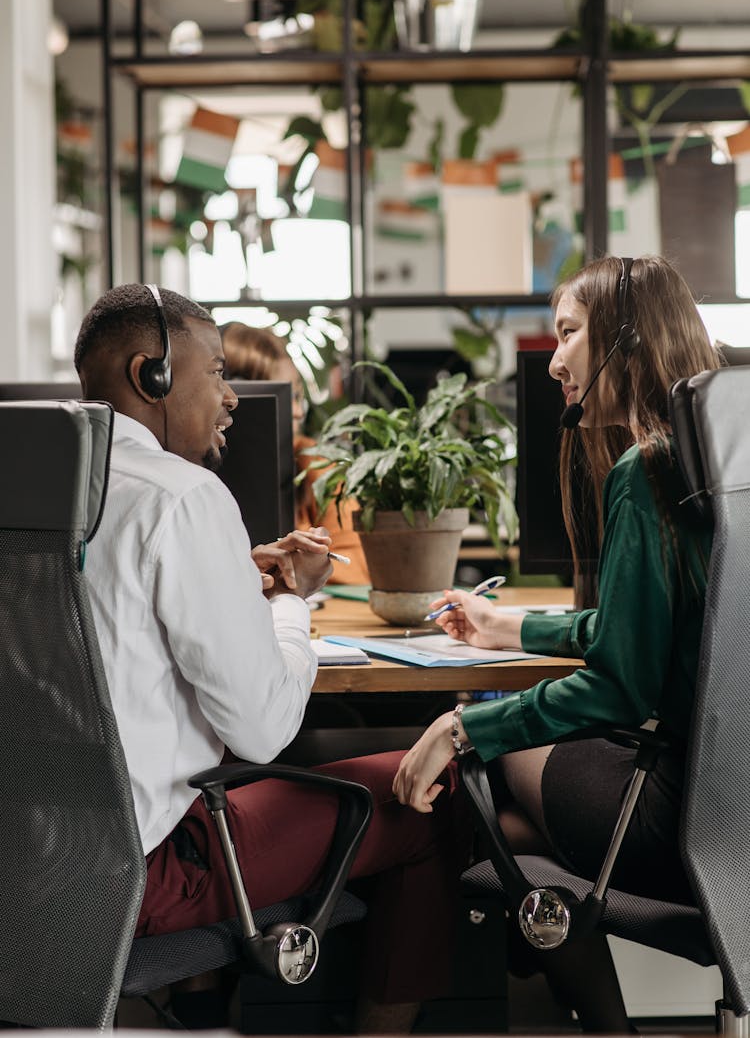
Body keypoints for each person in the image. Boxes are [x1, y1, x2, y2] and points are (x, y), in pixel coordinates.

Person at [74, 284, 468, 1031]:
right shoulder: (182, 497)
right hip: (141, 873)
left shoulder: (42, 490)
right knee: (431, 797)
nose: (230, 398)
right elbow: (264, 729)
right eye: (215, 373)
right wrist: (293, 599)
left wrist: (228, 575)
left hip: (33, 864)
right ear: (148, 375)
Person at [393, 255, 721, 1029]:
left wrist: (460, 725)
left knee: (490, 762)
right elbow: (652, 631)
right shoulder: (720, 455)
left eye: (569, 333)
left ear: (625, 339)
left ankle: (591, 1018)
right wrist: (511, 625)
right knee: (502, 832)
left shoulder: (648, 470)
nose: (554, 363)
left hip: (684, 816)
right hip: (735, 808)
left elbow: (619, 686)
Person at [220, 321, 369, 584]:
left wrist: (290, 565)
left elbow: (358, 564)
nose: (299, 412)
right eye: (284, 398)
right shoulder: (192, 470)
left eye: (298, 396)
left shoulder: (314, 463)